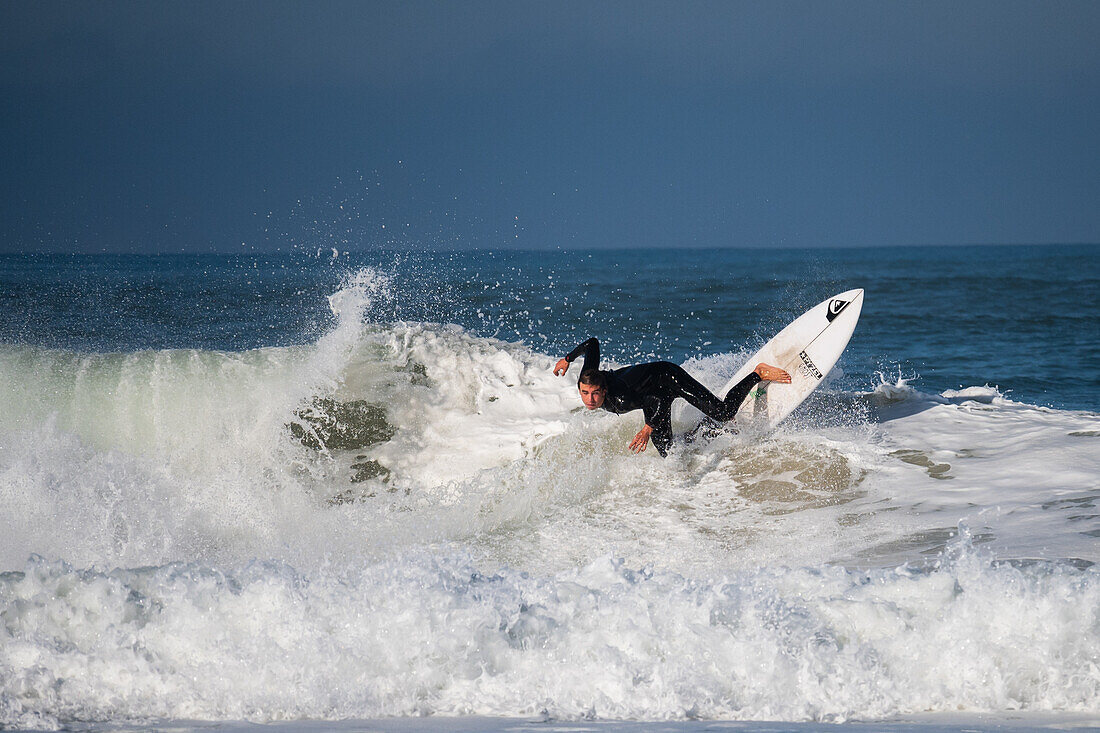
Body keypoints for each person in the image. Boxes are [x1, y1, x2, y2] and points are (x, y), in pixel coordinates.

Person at [553, 337, 791, 456]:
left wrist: (647, 429)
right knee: (666, 448)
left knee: (724, 412)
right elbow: (592, 344)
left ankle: (758, 373)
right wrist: (568, 358)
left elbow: (654, 401)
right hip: (650, 391)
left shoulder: (622, 400)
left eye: (595, 394)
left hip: (668, 378)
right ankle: (708, 429)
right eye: (585, 393)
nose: (590, 399)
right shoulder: (589, 375)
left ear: (604, 391)